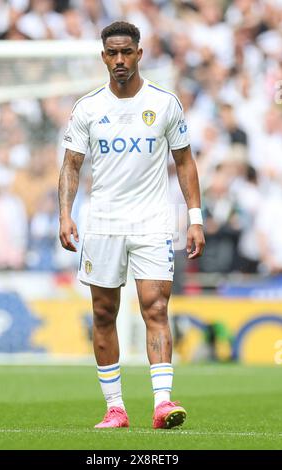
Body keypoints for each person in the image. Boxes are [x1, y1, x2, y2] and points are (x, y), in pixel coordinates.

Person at [58, 21, 205, 430]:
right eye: (112, 53)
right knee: (104, 312)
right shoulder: (88, 107)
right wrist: (65, 213)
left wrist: (195, 218)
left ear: (140, 54)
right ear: (103, 56)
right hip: (103, 221)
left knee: (155, 306)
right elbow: (72, 164)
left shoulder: (165, 103)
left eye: (126, 52)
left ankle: (162, 403)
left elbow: (185, 161)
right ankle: (116, 408)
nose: (119, 60)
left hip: (152, 220)